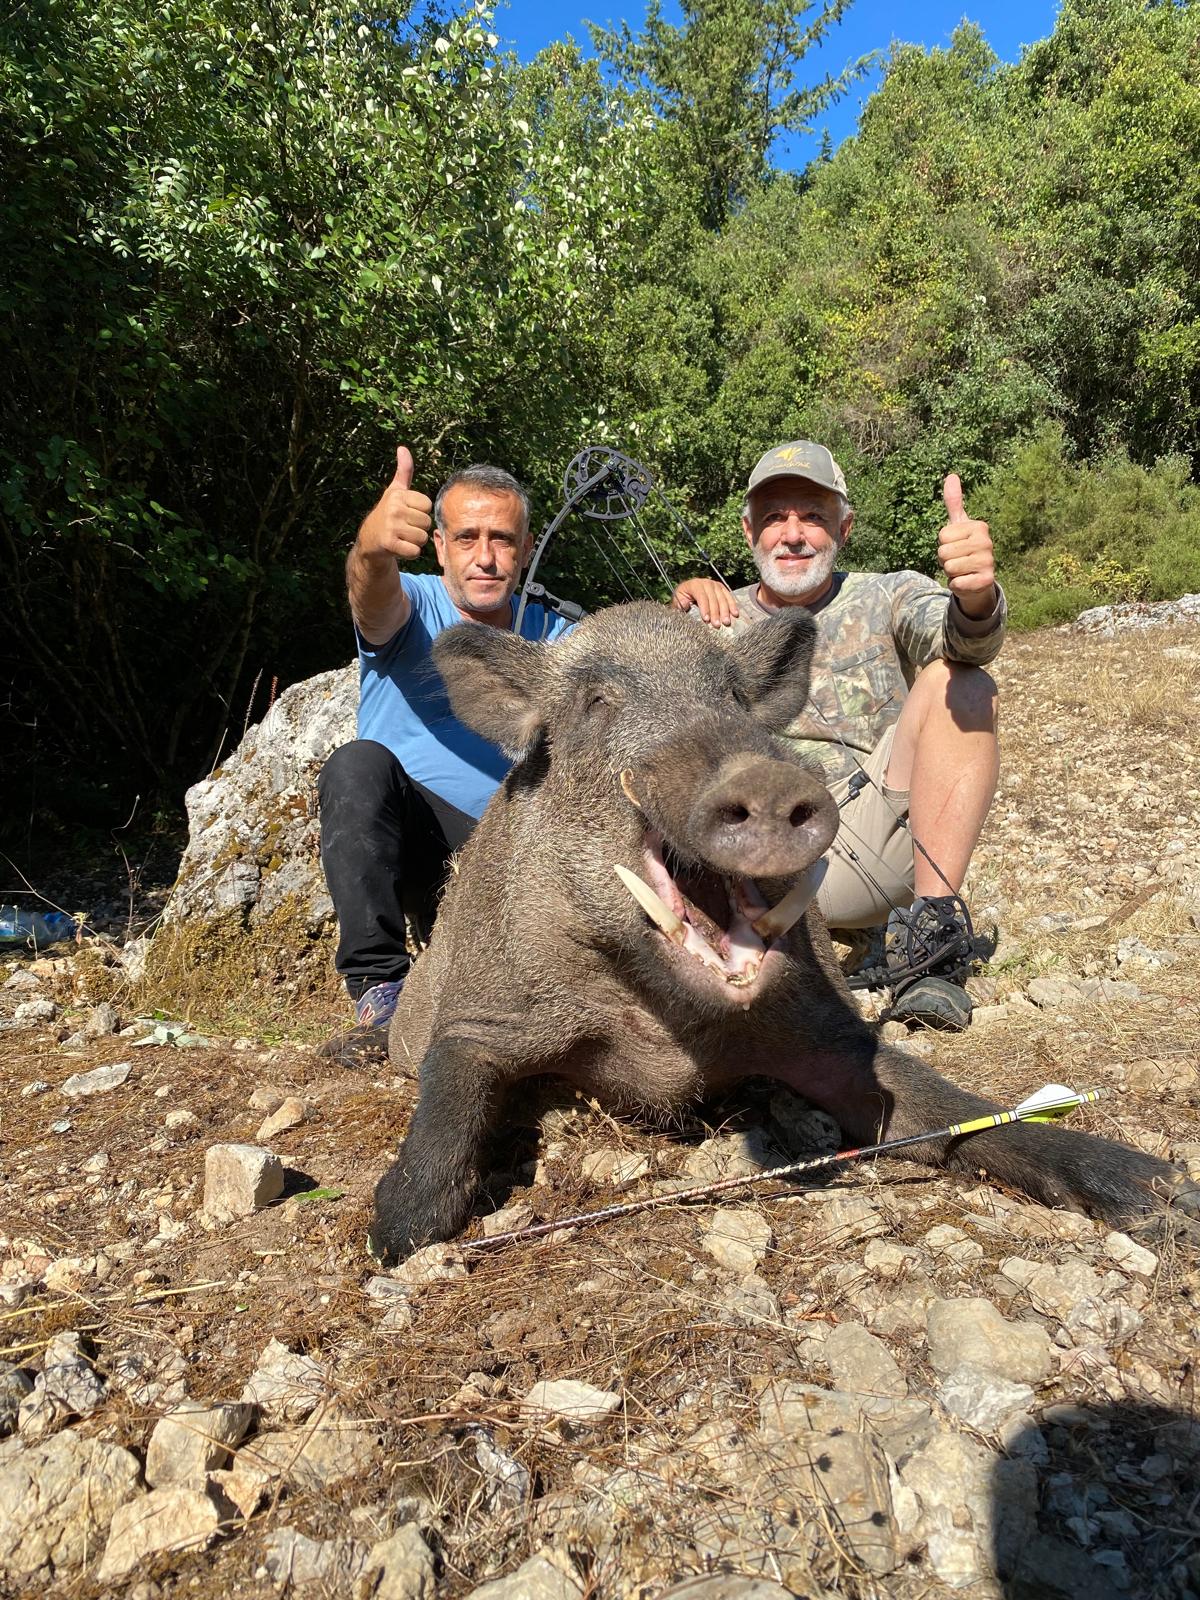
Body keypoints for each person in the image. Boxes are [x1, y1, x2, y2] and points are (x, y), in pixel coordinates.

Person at [673, 441, 1003, 1030]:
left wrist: (976, 596)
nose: (792, 534)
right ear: (748, 531)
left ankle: (931, 952)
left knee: (964, 683)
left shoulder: (891, 592)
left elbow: (964, 642)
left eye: (813, 516)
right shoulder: (710, 618)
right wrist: (671, 611)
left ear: (844, 529)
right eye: (774, 517)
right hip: (752, 857)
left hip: (872, 839)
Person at [318, 447, 577, 1049]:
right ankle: (381, 989)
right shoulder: (412, 605)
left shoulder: (558, 635)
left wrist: (684, 604)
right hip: (415, 845)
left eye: (502, 539)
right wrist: (372, 548)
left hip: (513, 863)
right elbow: (371, 596)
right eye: (466, 538)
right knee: (356, 766)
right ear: (439, 546)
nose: (485, 557)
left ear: (527, 548)